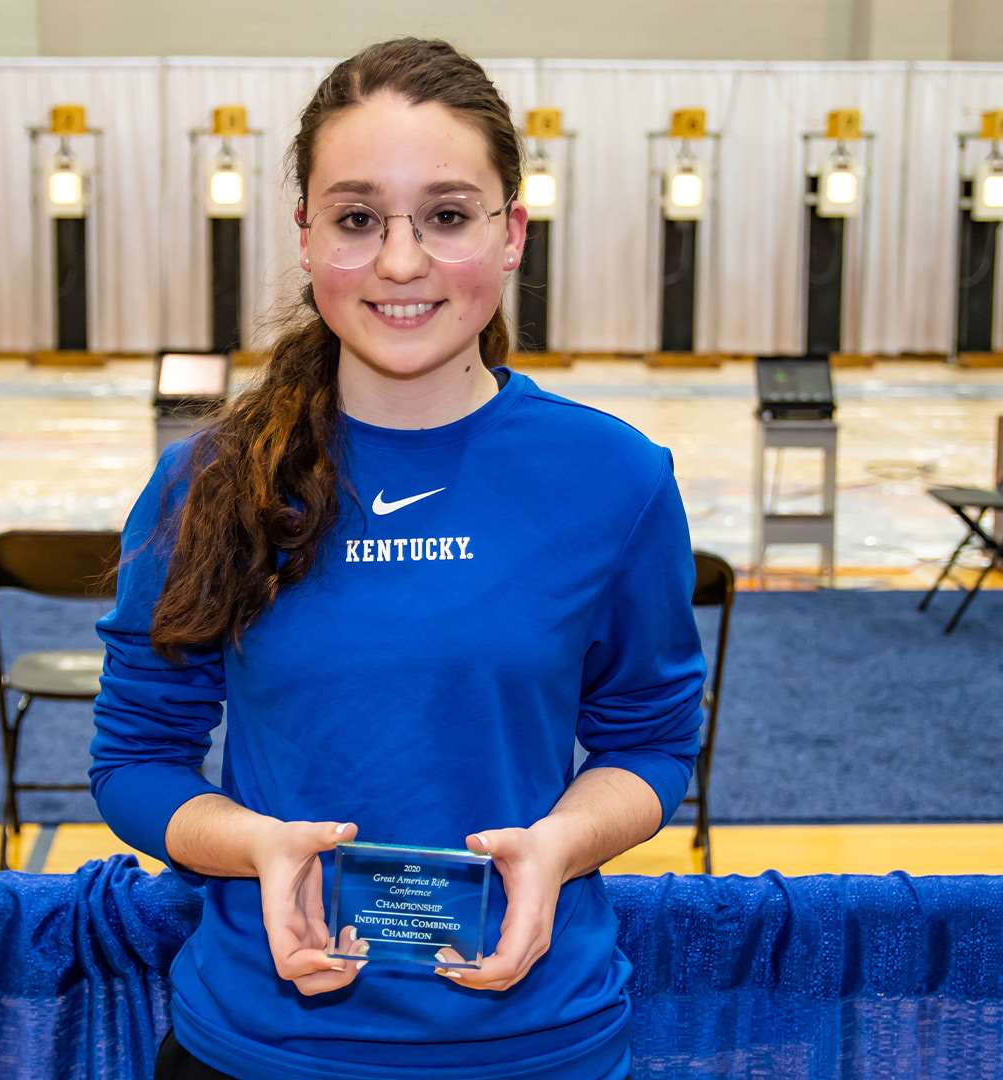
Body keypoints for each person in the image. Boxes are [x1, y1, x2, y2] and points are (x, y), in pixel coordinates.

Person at [90, 37, 706, 1080]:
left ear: (512, 233)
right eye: (359, 218)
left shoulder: (614, 477)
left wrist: (561, 846)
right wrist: (254, 847)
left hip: (536, 1045)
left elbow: (649, 741)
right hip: (262, 1044)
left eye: (449, 216)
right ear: (307, 236)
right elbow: (137, 757)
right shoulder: (211, 480)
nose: (402, 262)